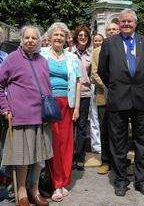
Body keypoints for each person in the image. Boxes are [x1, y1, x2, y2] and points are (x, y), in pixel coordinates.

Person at [98, 9, 144, 197]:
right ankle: (121, 180)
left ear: (135, 23)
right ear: (119, 23)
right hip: (118, 99)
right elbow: (103, 71)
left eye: (130, 21)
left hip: (140, 99)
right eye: (123, 22)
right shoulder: (108, 44)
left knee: (142, 142)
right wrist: (116, 87)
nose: (126, 24)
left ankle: (142, 181)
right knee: (118, 142)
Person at [0, 25, 53, 206]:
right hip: (21, 116)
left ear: (39, 41)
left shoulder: (43, 60)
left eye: (34, 38)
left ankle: (35, 190)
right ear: (22, 40)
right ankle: (21, 191)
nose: (30, 41)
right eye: (27, 38)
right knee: (23, 158)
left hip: (43, 116)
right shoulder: (12, 59)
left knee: (40, 157)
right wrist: (5, 107)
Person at [41, 22, 81, 202]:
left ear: (66, 39)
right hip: (49, 103)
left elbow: (78, 83)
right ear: (49, 38)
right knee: (53, 142)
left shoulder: (72, 57)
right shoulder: (41, 55)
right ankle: (56, 183)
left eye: (62, 35)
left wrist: (77, 107)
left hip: (68, 103)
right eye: (55, 35)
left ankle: (64, 180)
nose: (58, 38)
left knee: (66, 143)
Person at [92, 24, 119, 175]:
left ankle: (119, 161)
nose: (112, 32)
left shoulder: (123, 48)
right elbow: (94, 73)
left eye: (115, 29)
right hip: (104, 95)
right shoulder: (97, 51)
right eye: (109, 30)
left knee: (120, 130)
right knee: (104, 129)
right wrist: (109, 85)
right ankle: (106, 160)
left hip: (122, 97)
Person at [72, 25, 92, 170]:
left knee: (81, 127)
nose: (83, 37)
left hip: (85, 94)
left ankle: (79, 156)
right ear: (76, 37)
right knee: (69, 126)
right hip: (70, 94)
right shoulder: (69, 53)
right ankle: (69, 156)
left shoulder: (89, 56)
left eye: (85, 35)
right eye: (80, 35)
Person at [89, 34, 104, 153]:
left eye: (100, 40)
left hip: (106, 90)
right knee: (94, 118)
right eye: (95, 41)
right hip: (96, 88)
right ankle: (96, 145)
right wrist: (105, 85)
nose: (98, 42)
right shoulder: (93, 52)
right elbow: (94, 73)